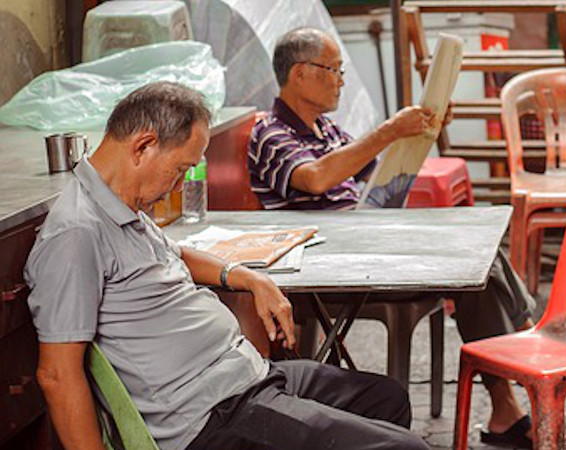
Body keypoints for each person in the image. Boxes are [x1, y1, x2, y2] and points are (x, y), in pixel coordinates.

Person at [25, 82, 430, 450]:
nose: (179, 185)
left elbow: (177, 254)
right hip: (213, 416)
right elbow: (57, 376)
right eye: (180, 169)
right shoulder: (76, 233)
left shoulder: (124, 205)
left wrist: (247, 277)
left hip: (245, 375)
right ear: (143, 146)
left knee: (387, 398)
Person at [249, 28, 538, 448]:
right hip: (330, 268)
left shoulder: (326, 130)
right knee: (477, 263)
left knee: (479, 260)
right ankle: (531, 357)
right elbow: (315, 179)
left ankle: (515, 387)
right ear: (300, 73)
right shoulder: (271, 133)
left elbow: (379, 174)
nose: (341, 81)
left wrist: (419, 131)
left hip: (366, 247)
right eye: (333, 70)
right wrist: (388, 130)